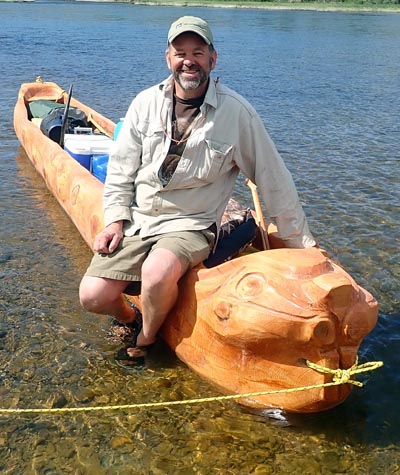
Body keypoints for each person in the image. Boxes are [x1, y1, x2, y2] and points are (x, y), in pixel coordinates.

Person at [79, 15, 316, 361]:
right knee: (93, 295)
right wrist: (115, 220)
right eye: (180, 52)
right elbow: (119, 171)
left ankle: (146, 339)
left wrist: (302, 248)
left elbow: (273, 179)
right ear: (168, 58)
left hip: (191, 224)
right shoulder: (144, 104)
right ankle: (133, 316)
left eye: (198, 52)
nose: (189, 60)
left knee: (156, 272)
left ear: (212, 59)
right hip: (140, 219)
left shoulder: (237, 114)